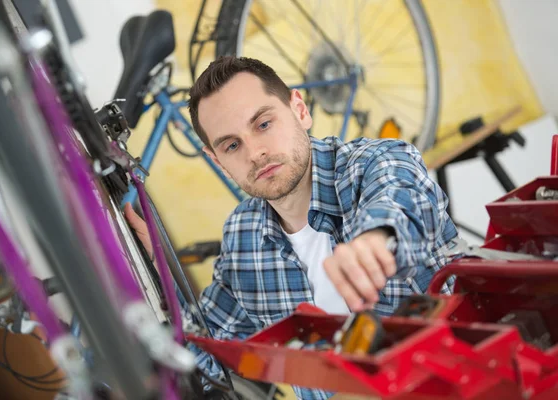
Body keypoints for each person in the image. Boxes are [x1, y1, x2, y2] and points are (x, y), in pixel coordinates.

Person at [124, 56, 457, 400]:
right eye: (232, 145)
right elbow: (208, 353)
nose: (255, 153)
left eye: (263, 124)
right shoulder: (243, 238)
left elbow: (401, 201)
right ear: (217, 160)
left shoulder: (374, 163)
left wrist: (374, 242)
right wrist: (155, 266)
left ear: (299, 110)